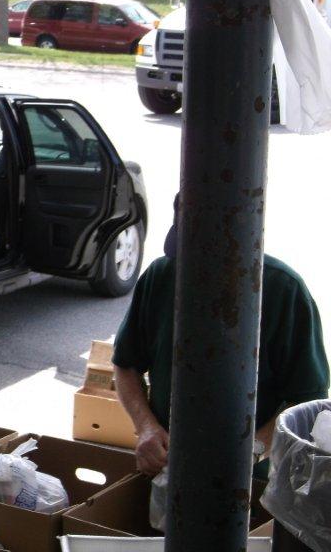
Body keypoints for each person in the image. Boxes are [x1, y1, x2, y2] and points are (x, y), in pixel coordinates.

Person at [113, 196, 329, 477]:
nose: (199, 267)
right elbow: (125, 364)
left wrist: (254, 450)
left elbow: (308, 401)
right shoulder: (161, 275)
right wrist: (146, 427)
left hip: (255, 480)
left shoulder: (284, 291)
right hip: (168, 469)